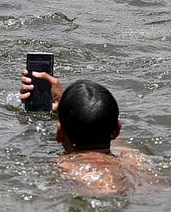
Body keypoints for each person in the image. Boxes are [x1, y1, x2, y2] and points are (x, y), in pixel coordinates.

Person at [19, 71, 152, 195]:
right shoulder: (133, 160)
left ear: (59, 133)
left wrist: (61, 111)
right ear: (117, 129)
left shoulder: (58, 166)